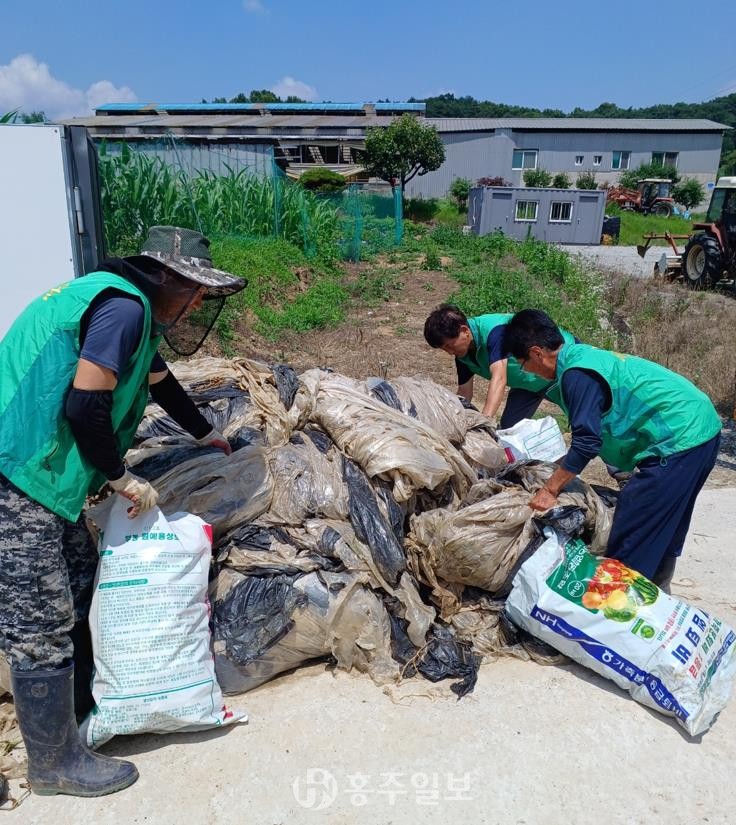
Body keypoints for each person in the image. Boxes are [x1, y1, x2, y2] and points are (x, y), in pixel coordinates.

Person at [0, 226, 245, 797]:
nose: (198, 302)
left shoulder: (116, 305)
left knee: (86, 583)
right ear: (165, 276)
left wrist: (208, 435)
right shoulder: (123, 310)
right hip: (17, 476)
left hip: (44, 477)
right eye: (195, 288)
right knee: (40, 620)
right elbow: (86, 404)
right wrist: (121, 476)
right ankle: (54, 764)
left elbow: (161, 385)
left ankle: (86, 716)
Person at [503, 308, 721, 591]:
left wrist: (549, 490)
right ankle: (659, 598)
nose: (526, 372)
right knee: (663, 525)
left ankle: (620, 608)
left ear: (536, 353)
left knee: (632, 527)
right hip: (701, 428)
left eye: (522, 364)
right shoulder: (582, 356)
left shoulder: (576, 374)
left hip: (681, 438)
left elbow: (585, 443)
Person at [423, 304, 577, 427]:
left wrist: (484, 421)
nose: (450, 352)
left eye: (450, 346)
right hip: (527, 384)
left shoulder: (495, 332)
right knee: (509, 430)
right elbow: (464, 394)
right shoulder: (463, 354)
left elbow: (499, 378)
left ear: (464, 331)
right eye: (445, 349)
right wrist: (452, 422)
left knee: (588, 424)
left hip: (559, 368)